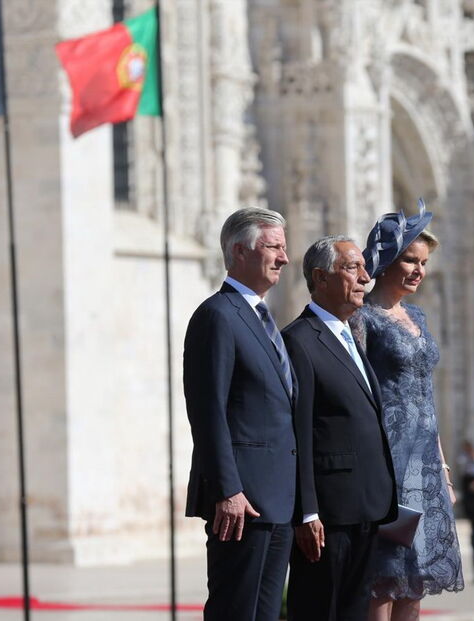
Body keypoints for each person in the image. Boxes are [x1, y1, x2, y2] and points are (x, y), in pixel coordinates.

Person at [183, 207, 297, 621]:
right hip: (241, 502)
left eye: (284, 248)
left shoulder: (262, 319)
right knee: (236, 611)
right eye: (274, 247)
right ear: (239, 251)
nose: (284, 258)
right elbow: (207, 410)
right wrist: (227, 490)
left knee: (264, 614)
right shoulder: (217, 315)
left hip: (277, 500)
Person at [353, 201, 464, 621]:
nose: (419, 270)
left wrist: (442, 464)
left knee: (414, 579)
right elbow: (360, 393)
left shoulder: (416, 316)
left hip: (424, 465)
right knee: (384, 577)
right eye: (410, 260)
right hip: (389, 461)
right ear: (386, 260)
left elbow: (425, 394)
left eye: (424, 262)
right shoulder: (363, 318)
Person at [282, 235, 398, 621]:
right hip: (329, 513)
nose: (366, 277)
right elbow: (297, 432)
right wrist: (307, 512)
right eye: (353, 268)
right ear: (321, 277)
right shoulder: (299, 340)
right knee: (320, 609)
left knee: (352, 612)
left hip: (366, 504)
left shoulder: (351, 335)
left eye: (364, 268)